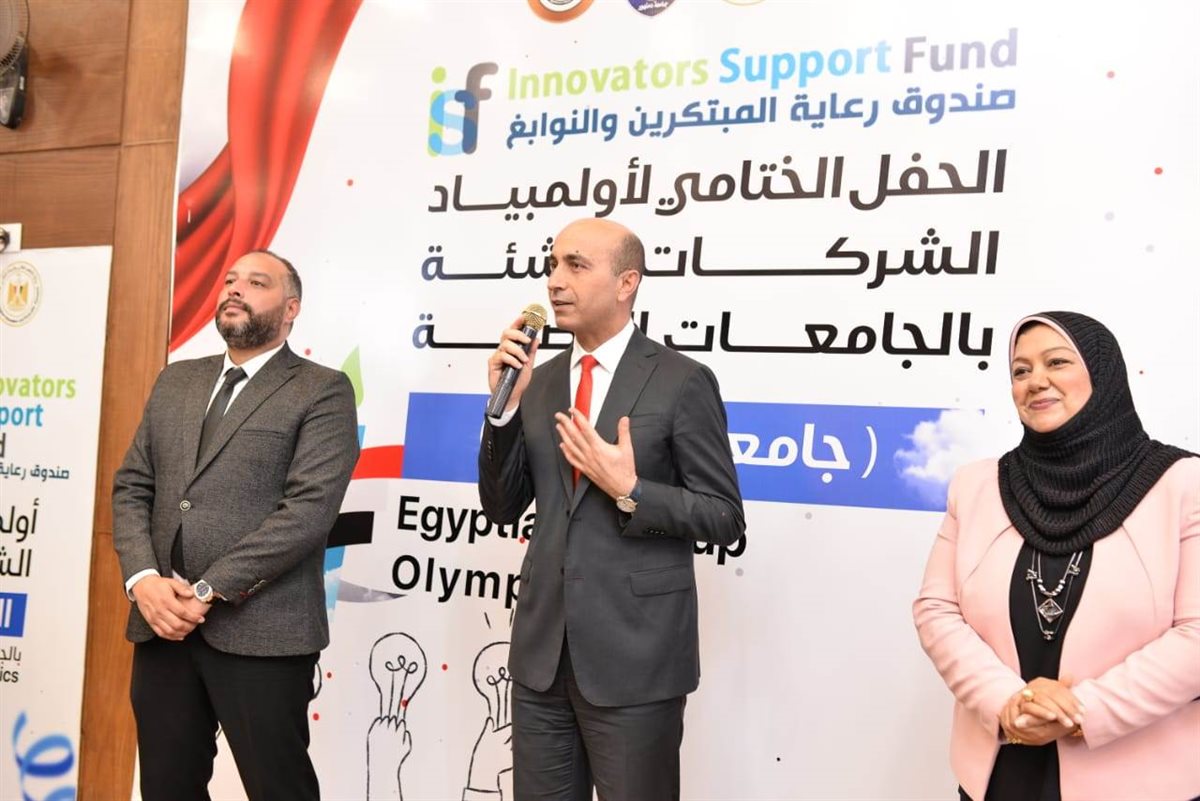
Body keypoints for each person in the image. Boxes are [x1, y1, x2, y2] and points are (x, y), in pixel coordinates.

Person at [477, 218, 745, 800]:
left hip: (636, 662)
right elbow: (502, 506)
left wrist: (631, 489)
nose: (555, 281)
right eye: (552, 265)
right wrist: (504, 410)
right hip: (542, 658)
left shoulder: (682, 380)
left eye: (576, 265)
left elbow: (724, 517)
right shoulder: (538, 380)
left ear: (627, 283)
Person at [914, 311, 1200, 801]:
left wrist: (1081, 712)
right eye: (1020, 370)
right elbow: (936, 609)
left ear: (1103, 373)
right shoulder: (977, 484)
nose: (1035, 381)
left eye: (1057, 362)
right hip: (1001, 769)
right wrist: (1008, 701)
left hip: (1137, 778)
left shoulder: (1184, 485)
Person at [112, 250, 360, 801]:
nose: (234, 289)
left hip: (264, 635)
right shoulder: (176, 380)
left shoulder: (321, 390)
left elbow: (308, 512)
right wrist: (144, 581)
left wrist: (206, 590)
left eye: (256, 282)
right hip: (162, 628)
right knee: (166, 789)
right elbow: (132, 487)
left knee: (279, 790)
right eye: (229, 279)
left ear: (291, 308)